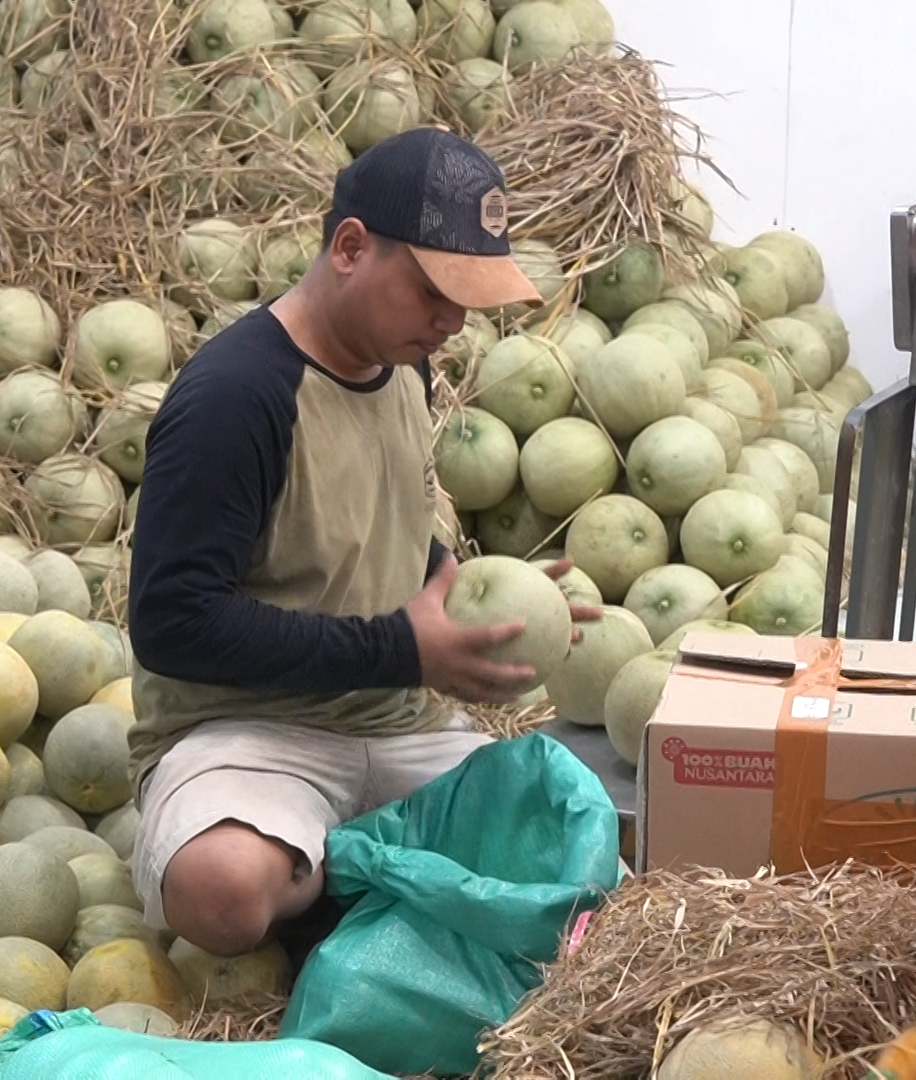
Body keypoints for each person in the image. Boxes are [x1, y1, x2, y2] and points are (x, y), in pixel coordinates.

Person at [124, 125, 599, 962]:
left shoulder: (403, 362)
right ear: (350, 247)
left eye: (467, 299)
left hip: (399, 723)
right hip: (251, 736)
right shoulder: (235, 398)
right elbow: (172, 622)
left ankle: (345, 865)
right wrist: (399, 650)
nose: (453, 321)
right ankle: (358, 867)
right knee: (223, 889)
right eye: (432, 291)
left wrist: (490, 598)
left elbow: (380, 537)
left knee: (579, 842)